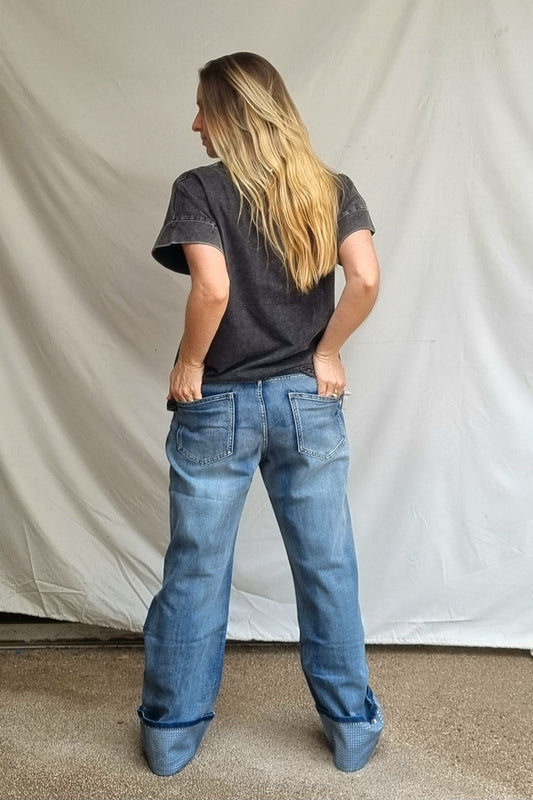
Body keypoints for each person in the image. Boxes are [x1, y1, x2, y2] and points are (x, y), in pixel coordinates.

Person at [138, 52, 383, 776]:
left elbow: (212, 290)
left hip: (218, 404)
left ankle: (171, 739)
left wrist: (189, 365)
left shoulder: (199, 189)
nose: (195, 124)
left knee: (196, 569)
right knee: (327, 564)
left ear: (231, 114)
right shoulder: (330, 188)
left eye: (203, 109)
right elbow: (366, 278)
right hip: (308, 403)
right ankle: (352, 732)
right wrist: (326, 352)